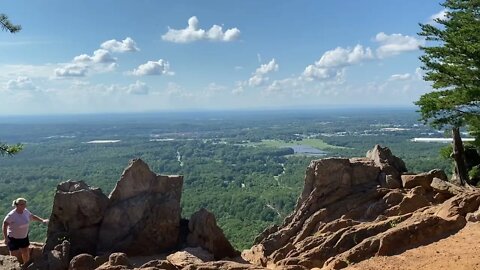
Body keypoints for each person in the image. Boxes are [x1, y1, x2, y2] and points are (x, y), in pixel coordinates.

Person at [2, 198, 48, 265]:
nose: (24, 206)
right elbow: (4, 226)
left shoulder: (25, 211)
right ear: (17, 205)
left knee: (25, 252)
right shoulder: (11, 215)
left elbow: (32, 216)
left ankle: (26, 266)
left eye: (25, 204)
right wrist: (6, 238)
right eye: (22, 204)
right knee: (14, 255)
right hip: (13, 238)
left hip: (23, 237)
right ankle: (14, 266)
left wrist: (42, 220)